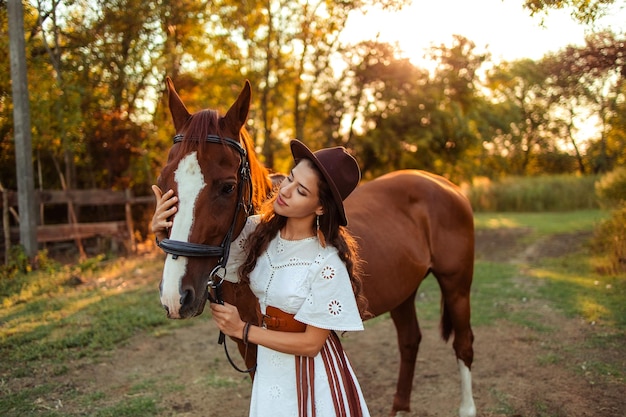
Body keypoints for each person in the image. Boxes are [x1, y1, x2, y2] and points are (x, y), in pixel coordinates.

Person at [152, 139, 370, 417]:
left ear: (320, 208)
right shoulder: (257, 234)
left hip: (312, 374)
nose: (286, 191)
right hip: (270, 366)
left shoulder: (326, 262)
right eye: (290, 179)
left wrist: (242, 330)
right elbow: (203, 257)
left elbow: (311, 345)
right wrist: (163, 235)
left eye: (301, 191)